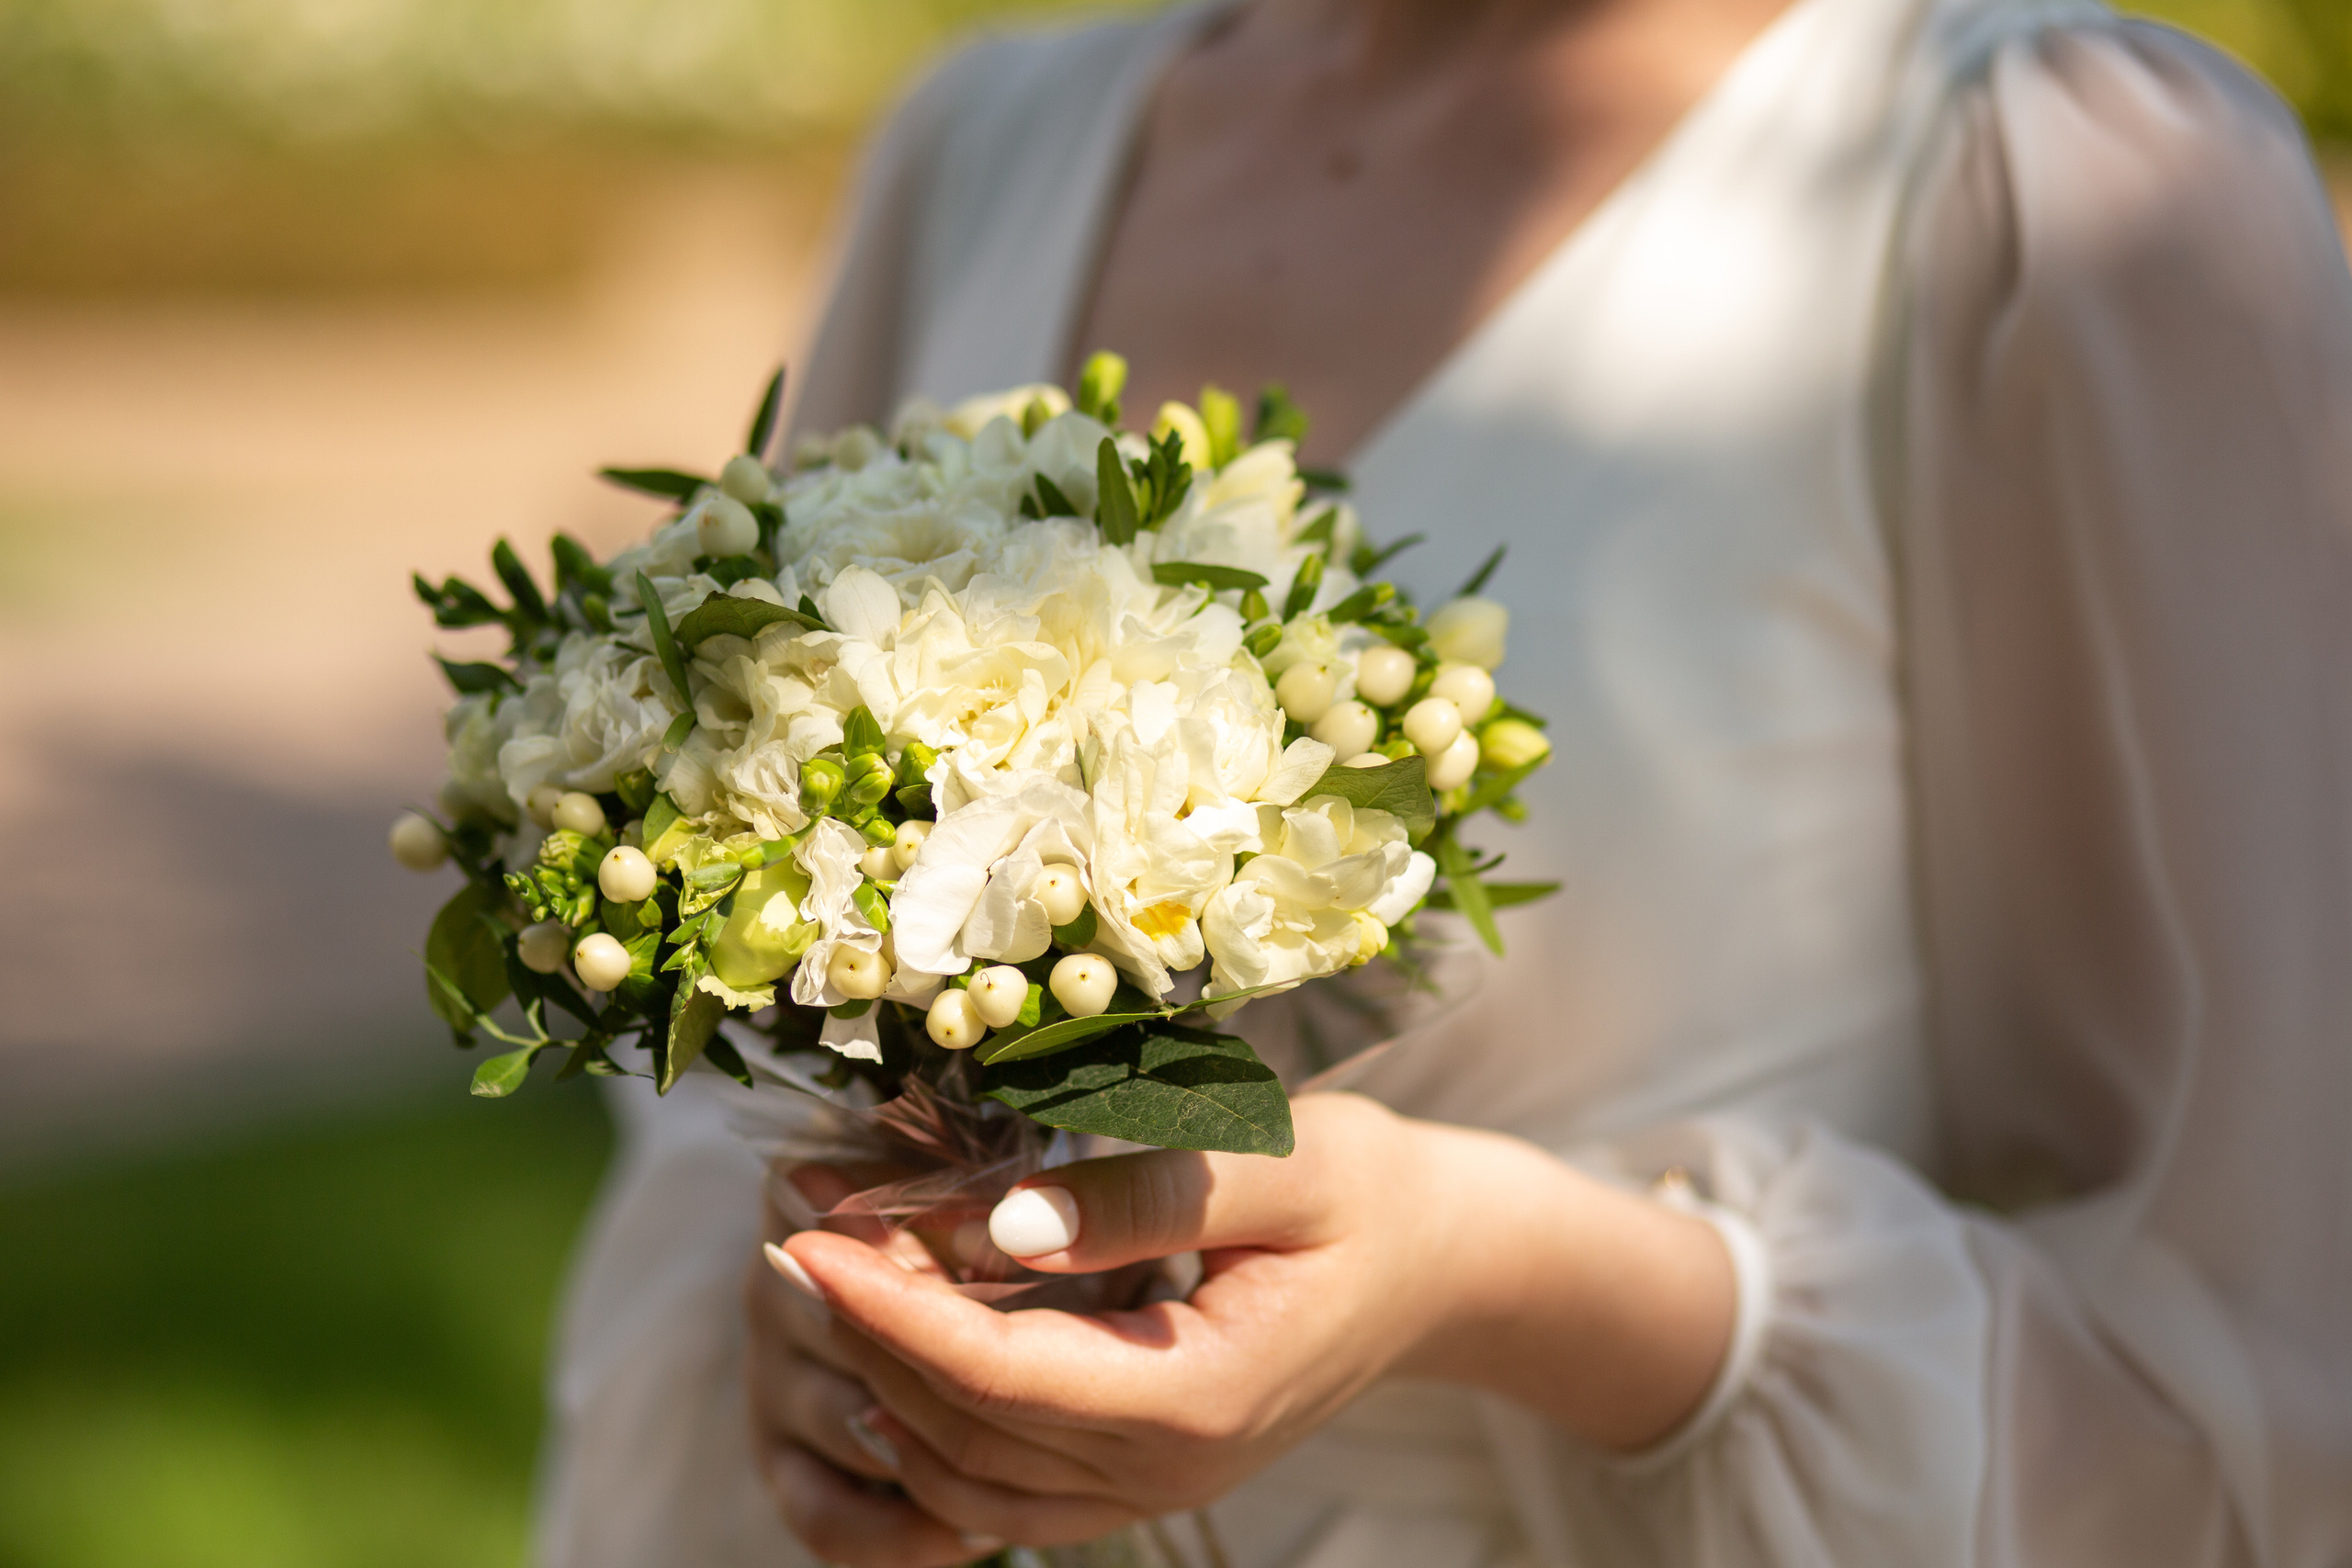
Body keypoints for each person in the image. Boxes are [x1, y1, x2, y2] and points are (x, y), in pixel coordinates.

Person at [533, 0, 2352, 1562]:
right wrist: (813, 1311)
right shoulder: (985, 145)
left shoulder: (2069, 193)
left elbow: (2241, 1358)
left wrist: (1503, 1274)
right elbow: (737, 1039)